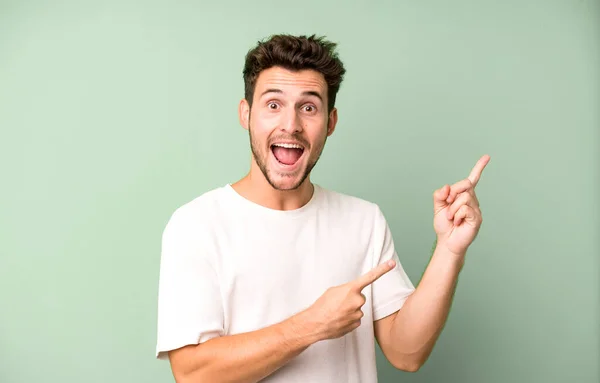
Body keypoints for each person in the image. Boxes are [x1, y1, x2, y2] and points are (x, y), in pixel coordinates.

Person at [155, 34, 490, 383]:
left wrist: (450, 252)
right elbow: (193, 374)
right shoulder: (197, 225)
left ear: (330, 123)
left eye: (308, 107)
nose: (291, 125)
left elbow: (406, 353)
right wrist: (310, 326)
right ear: (246, 114)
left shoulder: (364, 220)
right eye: (273, 105)